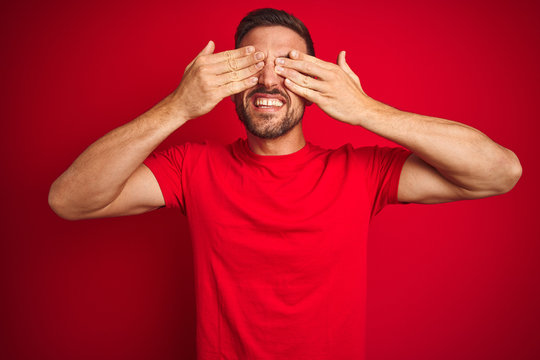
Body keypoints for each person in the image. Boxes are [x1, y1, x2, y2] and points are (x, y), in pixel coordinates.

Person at [48, 8, 521, 360]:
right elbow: (69, 201)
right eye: (253, 64)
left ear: (315, 81)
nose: (269, 79)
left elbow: (499, 172)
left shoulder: (360, 172)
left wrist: (365, 111)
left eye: (290, 65)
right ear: (230, 80)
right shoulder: (190, 168)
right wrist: (178, 105)